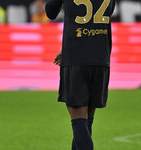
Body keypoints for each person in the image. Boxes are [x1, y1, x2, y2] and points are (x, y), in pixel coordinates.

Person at [45, 0, 115, 149]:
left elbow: (50, 12)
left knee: (78, 121)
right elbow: (108, 11)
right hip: (100, 59)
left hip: (76, 58)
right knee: (86, 121)